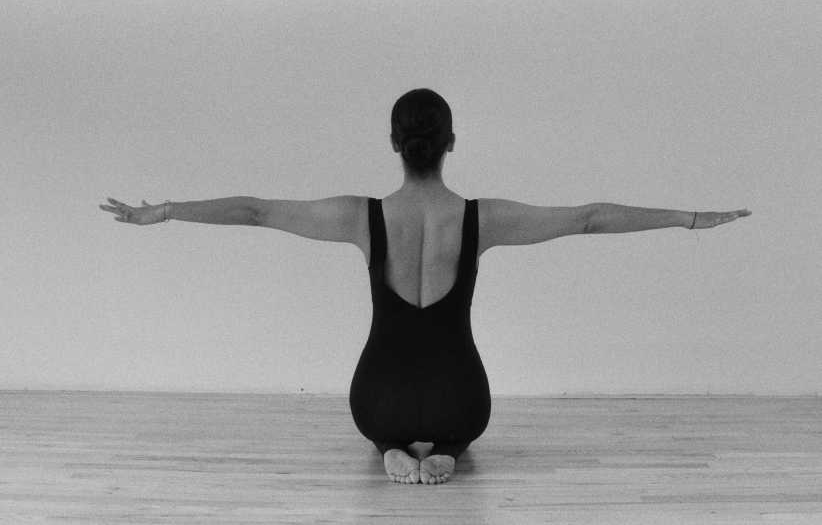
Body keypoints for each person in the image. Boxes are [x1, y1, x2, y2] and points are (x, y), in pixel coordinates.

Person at [99, 88, 751, 485]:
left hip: (375, 398)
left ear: (394, 142)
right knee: (456, 422)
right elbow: (587, 217)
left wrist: (168, 209)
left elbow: (257, 209)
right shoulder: (483, 218)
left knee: (386, 421)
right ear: (450, 143)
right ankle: (447, 450)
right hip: (460, 400)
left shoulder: (360, 217)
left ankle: (391, 448)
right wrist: (690, 217)